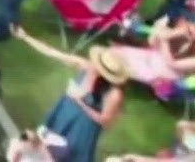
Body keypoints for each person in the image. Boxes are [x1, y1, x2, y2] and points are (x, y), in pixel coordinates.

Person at [14, 29, 127, 162]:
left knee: (68, 155)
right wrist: (26, 37)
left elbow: (105, 121)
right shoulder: (85, 66)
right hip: (64, 112)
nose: (92, 65)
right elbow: (53, 53)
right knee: (43, 146)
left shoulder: (113, 94)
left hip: (82, 127)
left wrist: (80, 101)